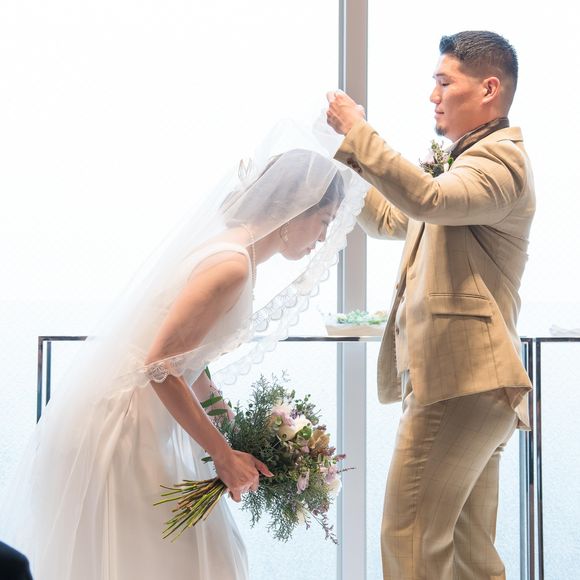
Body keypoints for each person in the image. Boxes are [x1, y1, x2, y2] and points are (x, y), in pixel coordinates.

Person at [0, 140, 367, 580]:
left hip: (146, 419)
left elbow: (187, 352)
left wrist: (216, 405)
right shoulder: (232, 265)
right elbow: (159, 366)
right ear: (296, 210)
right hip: (124, 429)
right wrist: (223, 455)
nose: (322, 238)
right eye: (324, 222)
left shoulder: (234, 253)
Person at [326, 30, 535, 579]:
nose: (433, 95)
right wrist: (344, 162)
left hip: (459, 382)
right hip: (474, 386)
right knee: (469, 556)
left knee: (409, 539)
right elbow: (392, 217)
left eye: (444, 82)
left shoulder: (500, 164)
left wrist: (360, 133)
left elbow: (428, 198)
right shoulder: (466, 166)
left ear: (488, 89)